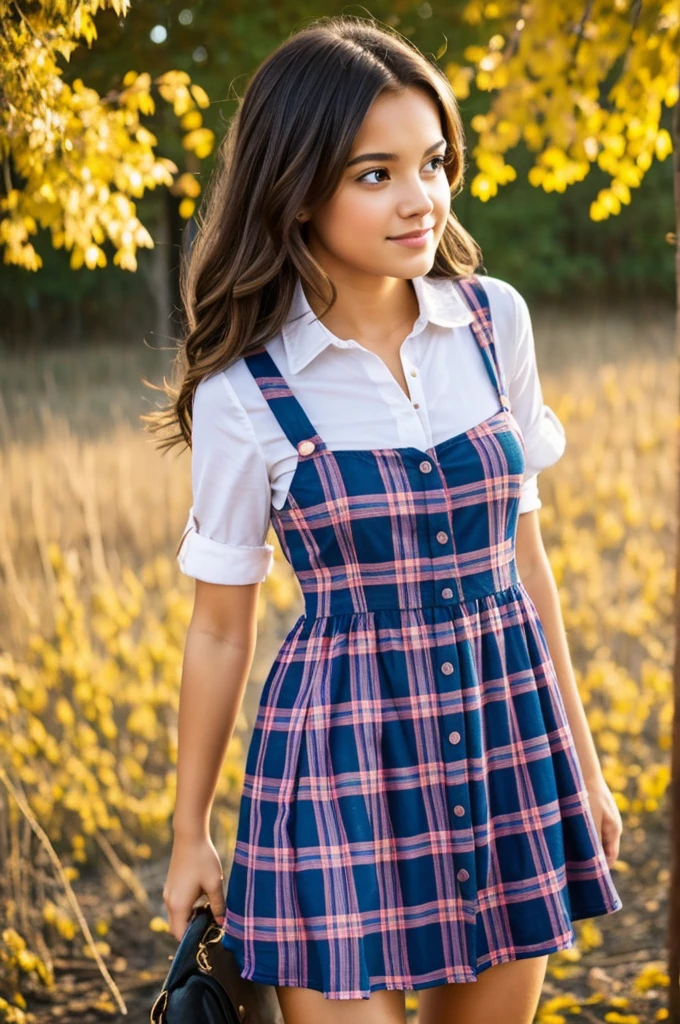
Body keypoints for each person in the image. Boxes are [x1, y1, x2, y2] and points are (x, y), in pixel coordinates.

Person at [144, 14, 623, 1024]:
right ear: (297, 186)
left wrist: (581, 766)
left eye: (434, 161)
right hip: (336, 760)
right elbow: (220, 625)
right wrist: (190, 830)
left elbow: (526, 565)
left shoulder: (494, 321)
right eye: (375, 173)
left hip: (506, 740)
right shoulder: (247, 388)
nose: (420, 198)